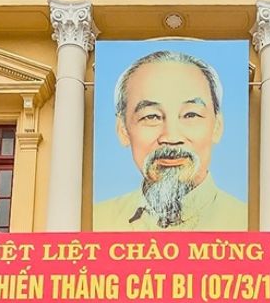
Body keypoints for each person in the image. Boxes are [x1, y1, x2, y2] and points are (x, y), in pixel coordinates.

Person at [94, 50, 246, 231]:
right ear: (123, 131)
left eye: (191, 114)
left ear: (217, 127)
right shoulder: (99, 222)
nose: (171, 138)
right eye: (151, 117)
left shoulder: (245, 222)